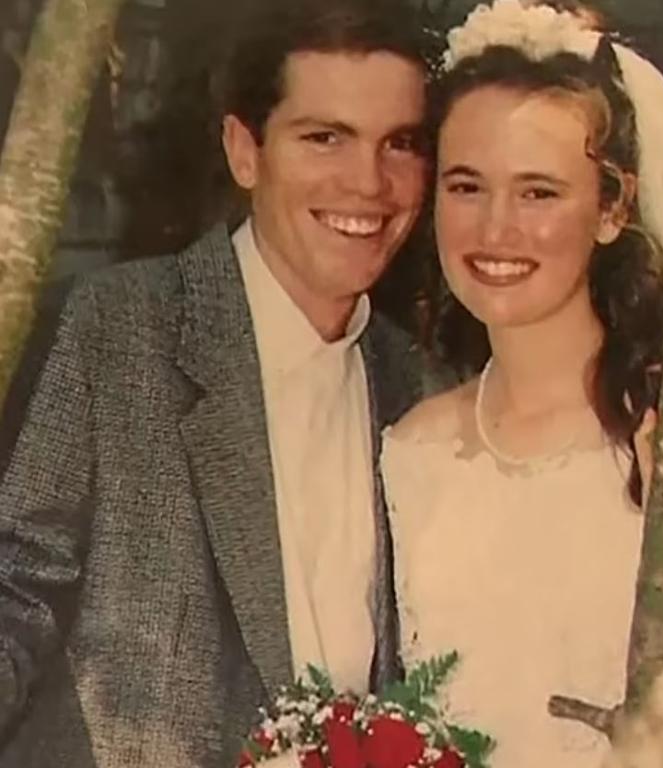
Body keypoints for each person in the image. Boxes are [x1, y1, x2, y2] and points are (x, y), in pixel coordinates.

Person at [0, 0, 441, 765]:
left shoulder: (422, 383)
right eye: (324, 138)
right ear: (245, 150)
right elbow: (15, 588)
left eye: (399, 144)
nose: (368, 183)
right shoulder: (120, 328)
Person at [381, 2, 663, 766]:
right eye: (466, 187)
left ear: (611, 208)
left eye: (539, 192)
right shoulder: (412, 448)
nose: (495, 230)